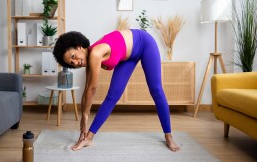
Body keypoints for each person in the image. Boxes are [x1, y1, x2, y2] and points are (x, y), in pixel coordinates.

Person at [53, 29, 181, 152]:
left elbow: (92, 89)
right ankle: (88, 138)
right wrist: (83, 124)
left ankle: (168, 136)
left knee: (156, 89)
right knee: (112, 96)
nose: (76, 63)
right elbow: (86, 91)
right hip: (127, 56)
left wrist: (85, 117)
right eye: (72, 63)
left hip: (144, 43)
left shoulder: (95, 53)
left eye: (73, 56)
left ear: (79, 46)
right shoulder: (90, 58)